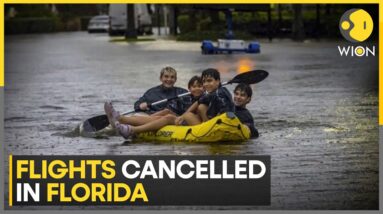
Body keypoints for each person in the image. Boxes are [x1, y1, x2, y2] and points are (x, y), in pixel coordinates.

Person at [104, 76, 204, 138]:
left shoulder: (200, 97)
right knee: (165, 112)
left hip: (195, 124)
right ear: (189, 88)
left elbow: (192, 110)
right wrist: (140, 105)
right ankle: (122, 120)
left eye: (199, 86)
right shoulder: (187, 96)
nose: (197, 89)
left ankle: (128, 126)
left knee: (168, 117)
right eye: (194, 87)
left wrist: (180, 117)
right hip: (185, 119)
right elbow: (138, 103)